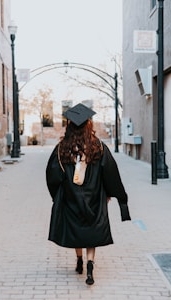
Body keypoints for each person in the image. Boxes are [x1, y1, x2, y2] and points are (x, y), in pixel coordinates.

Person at [46, 103, 131, 285]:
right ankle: (90, 265)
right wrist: (116, 195)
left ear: (69, 126)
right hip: (94, 197)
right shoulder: (98, 147)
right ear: (89, 125)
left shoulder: (62, 149)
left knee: (77, 230)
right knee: (91, 230)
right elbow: (111, 173)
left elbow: (52, 175)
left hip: (71, 197)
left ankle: (79, 261)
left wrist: (57, 196)